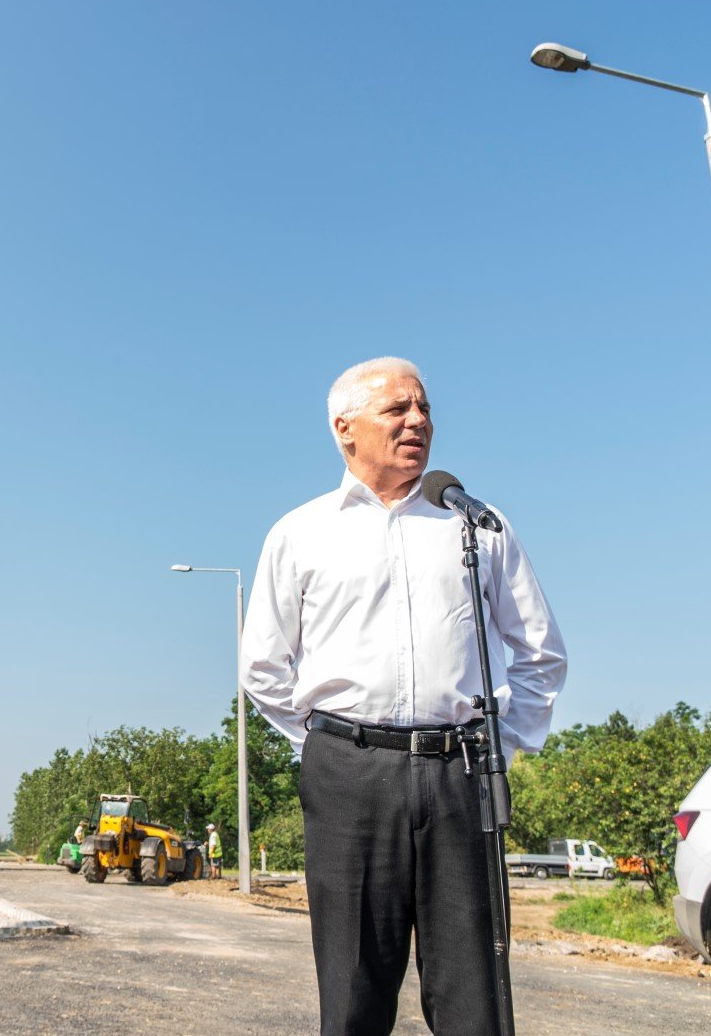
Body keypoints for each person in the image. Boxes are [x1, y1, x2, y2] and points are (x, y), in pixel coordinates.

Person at [239, 357, 566, 1036]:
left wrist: (499, 743)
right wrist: (331, 744)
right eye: (395, 410)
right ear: (344, 429)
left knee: (475, 994)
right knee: (355, 990)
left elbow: (538, 652)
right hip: (348, 780)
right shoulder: (299, 532)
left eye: (422, 409)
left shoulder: (474, 524)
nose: (417, 421)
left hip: (461, 773)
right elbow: (262, 668)